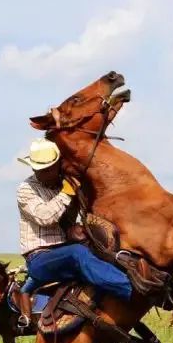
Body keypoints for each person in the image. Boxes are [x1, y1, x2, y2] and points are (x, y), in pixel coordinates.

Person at [14, 138, 132, 326]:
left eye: (48, 169)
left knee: (105, 249)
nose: (42, 173)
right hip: (40, 259)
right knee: (77, 253)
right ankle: (131, 290)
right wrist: (67, 192)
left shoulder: (63, 183)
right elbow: (45, 217)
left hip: (65, 252)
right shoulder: (26, 189)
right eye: (38, 169)